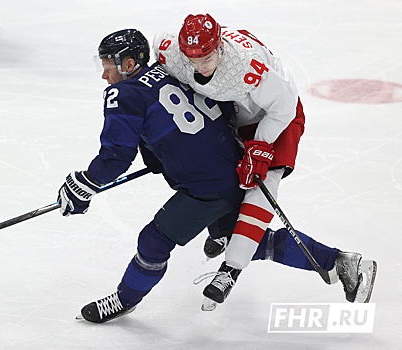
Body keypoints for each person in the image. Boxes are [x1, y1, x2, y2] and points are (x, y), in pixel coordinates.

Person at [57, 29, 375, 324]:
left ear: (129, 64)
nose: (104, 74)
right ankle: (340, 262)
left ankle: (125, 298)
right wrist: (164, 155)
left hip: (206, 186)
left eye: (108, 66)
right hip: (236, 166)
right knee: (249, 240)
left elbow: (115, 157)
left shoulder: (123, 94)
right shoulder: (172, 69)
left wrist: (83, 184)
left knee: (153, 241)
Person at [152, 14, 377, 307]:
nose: (199, 66)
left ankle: (230, 270)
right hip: (234, 117)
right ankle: (226, 233)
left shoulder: (246, 66)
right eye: (192, 59)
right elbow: (157, 48)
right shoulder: (173, 51)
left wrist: (259, 146)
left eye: (206, 58)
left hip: (276, 120)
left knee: (258, 190)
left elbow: (283, 106)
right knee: (219, 177)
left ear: (219, 46)